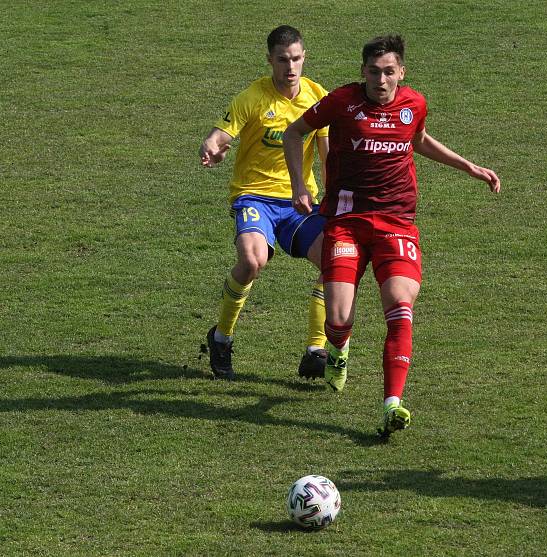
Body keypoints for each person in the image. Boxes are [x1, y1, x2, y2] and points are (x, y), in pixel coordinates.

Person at [283, 34, 501, 437]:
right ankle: (338, 348)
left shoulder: (414, 103)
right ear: (362, 71)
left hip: (397, 221)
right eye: (373, 72)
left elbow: (417, 140)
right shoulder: (342, 102)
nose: (380, 80)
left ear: (401, 72)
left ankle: (392, 404)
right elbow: (293, 133)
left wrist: (468, 166)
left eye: (388, 72)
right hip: (346, 220)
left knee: (400, 303)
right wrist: (300, 185)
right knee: (338, 317)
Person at [199, 25, 331, 381]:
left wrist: (334, 196)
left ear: (305, 57)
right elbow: (221, 134)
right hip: (254, 195)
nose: (291, 67)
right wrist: (211, 146)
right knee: (251, 260)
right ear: (269, 60)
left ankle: (315, 350)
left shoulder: (319, 98)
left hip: (300, 202)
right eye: (283, 60)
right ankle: (221, 337)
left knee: (334, 261)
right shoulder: (251, 98)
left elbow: (328, 154)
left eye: (297, 59)